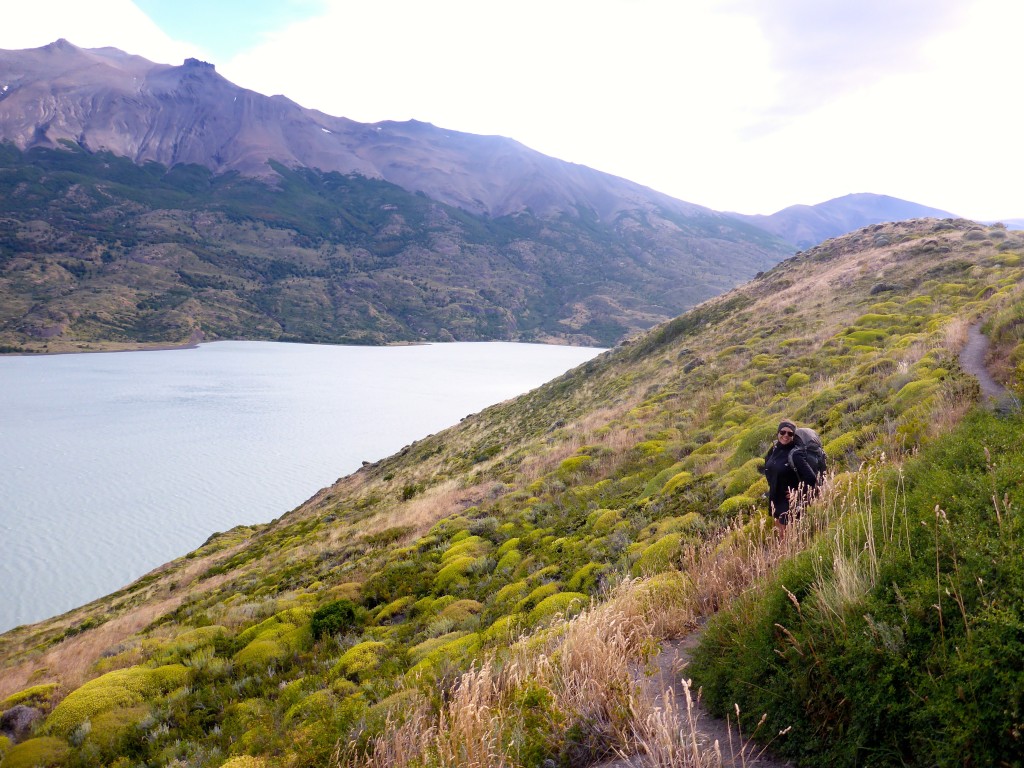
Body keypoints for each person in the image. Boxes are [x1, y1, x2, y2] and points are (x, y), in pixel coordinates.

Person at [762, 419, 818, 535]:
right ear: (778, 433)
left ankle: (789, 553)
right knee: (780, 535)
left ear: (793, 436)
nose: (785, 436)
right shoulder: (774, 449)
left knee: (786, 539)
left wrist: (798, 494)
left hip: (789, 503)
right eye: (783, 432)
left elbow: (812, 478)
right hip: (775, 499)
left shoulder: (795, 454)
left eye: (790, 433)